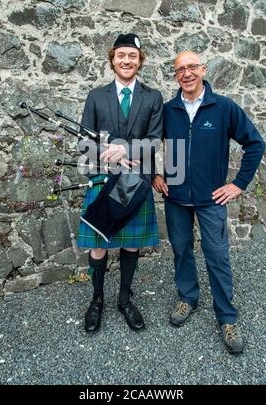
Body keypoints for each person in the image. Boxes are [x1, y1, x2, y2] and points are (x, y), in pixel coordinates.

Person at [153, 51, 265, 354]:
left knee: (217, 256)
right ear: (175, 76)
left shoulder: (223, 107)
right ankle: (187, 297)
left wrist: (238, 184)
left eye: (192, 67)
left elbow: (255, 143)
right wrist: (154, 175)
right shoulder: (168, 110)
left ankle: (227, 317)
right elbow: (147, 143)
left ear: (203, 70)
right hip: (175, 197)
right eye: (180, 70)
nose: (186, 73)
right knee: (181, 250)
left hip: (211, 199)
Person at [78, 33, 163, 333]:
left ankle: (124, 298)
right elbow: (84, 143)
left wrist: (127, 150)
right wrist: (108, 154)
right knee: (99, 246)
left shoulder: (153, 98)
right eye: (121, 56)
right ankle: (97, 298)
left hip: (136, 182)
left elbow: (154, 141)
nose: (127, 61)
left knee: (131, 246)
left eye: (133, 57)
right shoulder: (96, 96)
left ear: (140, 61)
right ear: (112, 58)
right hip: (103, 179)